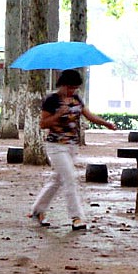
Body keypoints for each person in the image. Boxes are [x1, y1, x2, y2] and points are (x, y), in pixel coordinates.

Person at [29, 69, 117, 231]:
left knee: (57, 180)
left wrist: (106, 124)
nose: (72, 91)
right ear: (62, 85)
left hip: (71, 145)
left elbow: (88, 115)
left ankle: (38, 210)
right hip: (56, 146)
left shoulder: (76, 99)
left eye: (75, 88)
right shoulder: (52, 100)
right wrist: (58, 114)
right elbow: (43, 124)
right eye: (70, 87)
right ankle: (76, 217)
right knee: (70, 177)